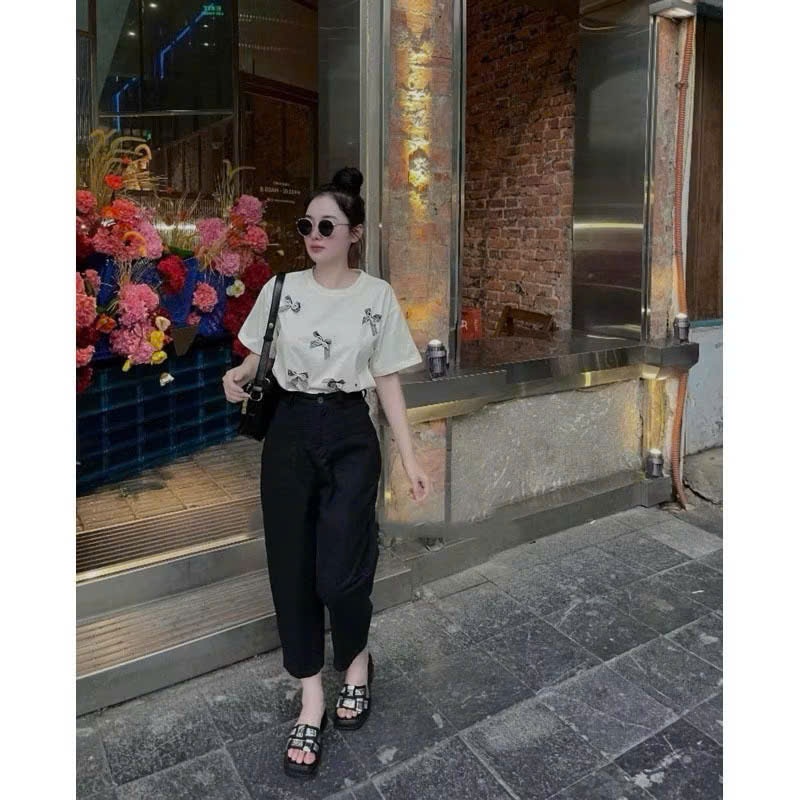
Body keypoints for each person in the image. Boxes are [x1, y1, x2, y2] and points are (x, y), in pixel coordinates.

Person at [222, 166, 431, 778]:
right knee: (291, 568)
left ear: (353, 234)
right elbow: (256, 358)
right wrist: (236, 377)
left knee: (341, 572)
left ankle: (357, 659)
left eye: (326, 226)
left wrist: (410, 456)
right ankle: (311, 698)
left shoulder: (377, 296)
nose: (313, 235)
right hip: (288, 431)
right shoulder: (281, 288)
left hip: (348, 433)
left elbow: (386, 378)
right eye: (306, 225)